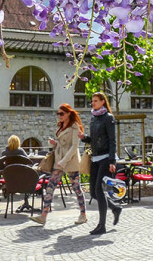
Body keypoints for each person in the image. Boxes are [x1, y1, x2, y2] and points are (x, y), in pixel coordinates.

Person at [31, 104, 87, 226]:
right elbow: (62, 144)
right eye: (58, 113)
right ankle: (43, 216)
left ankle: (83, 215)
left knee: (77, 188)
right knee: (50, 187)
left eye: (61, 113)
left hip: (70, 161)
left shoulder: (75, 127)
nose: (59, 116)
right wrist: (54, 144)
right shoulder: (61, 126)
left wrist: (64, 161)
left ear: (68, 113)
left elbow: (74, 147)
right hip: (59, 161)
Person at [80, 91, 122, 235]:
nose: (93, 103)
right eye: (92, 101)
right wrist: (84, 138)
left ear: (103, 101)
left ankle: (101, 225)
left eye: (96, 101)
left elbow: (112, 140)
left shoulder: (108, 118)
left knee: (99, 190)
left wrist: (112, 161)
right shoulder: (93, 118)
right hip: (95, 158)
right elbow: (94, 140)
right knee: (93, 192)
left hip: (105, 159)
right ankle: (115, 208)